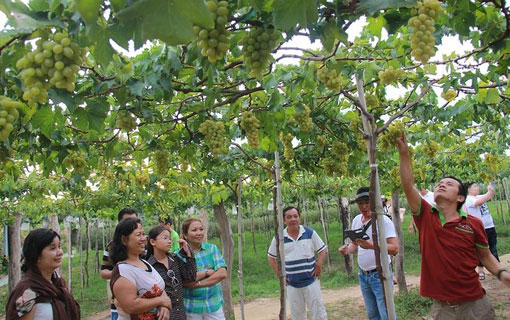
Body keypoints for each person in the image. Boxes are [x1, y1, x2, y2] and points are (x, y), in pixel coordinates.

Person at [397, 132, 510, 319]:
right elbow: (408, 185)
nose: (441, 185)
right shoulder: (425, 216)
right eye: (439, 184)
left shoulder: (474, 224)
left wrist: (501, 273)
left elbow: (485, 255)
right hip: (442, 309)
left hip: (475, 304)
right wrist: (404, 155)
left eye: (448, 184)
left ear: (460, 197)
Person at [339, 187, 399, 320]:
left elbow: (395, 248)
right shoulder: (356, 220)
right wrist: (347, 249)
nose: (364, 206)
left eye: (367, 202)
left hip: (380, 274)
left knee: (386, 313)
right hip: (363, 275)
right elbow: (355, 245)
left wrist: (371, 245)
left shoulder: (382, 221)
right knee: (372, 313)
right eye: (360, 203)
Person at [267, 206, 328, 320]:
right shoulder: (279, 237)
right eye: (289, 217)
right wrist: (280, 274)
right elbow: (271, 257)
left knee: (318, 312)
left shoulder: (309, 232)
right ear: (284, 220)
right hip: (292, 284)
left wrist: (318, 265)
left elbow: (322, 250)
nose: (293, 219)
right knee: (297, 315)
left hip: (311, 281)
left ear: (299, 218)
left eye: (295, 216)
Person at [6, 228, 80, 320]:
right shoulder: (27, 291)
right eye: (52, 248)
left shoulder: (58, 284)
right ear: (36, 256)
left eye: (59, 247)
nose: (60, 252)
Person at [110, 218, 171, 320]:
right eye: (138, 235)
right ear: (124, 240)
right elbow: (131, 305)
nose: (143, 238)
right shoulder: (123, 271)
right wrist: (160, 301)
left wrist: (163, 305)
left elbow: (159, 288)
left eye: (143, 234)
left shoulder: (145, 263)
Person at [146, 225, 197, 319]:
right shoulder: (148, 267)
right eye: (165, 238)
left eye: (170, 239)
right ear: (153, 242)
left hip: (180, 314)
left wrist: (189, 254)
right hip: (162, 316)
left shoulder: (174, 259)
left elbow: (191, 277)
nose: (169, 241)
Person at [181, 218, 227, 320]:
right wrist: (207, 273)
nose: (199, 233)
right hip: (191, 308)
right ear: (185, 235)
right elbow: (185, 281)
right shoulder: (179, 255)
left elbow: (222, 273)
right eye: (194, 230)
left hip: (213, 305)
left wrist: (196, 284)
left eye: (201, 229)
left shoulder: (212, 249)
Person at [100, 207, 139, 320]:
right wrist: (123, 273)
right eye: (127, 221)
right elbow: (104, 272)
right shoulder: (112, 246)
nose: (132, 225)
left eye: (135, 221)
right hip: (120, 304)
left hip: (144, 303)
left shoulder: (144, 245)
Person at [464, 181, 499, 281]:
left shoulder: (478, 196)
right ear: (468, 190)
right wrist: (489, 190)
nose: (477, 188)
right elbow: (480, 202)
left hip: (490, 227)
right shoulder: (469, 199)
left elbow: (490, 195)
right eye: (475, 186)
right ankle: (480, 270)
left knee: (493, 247)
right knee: (481, 250)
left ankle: (497, 269)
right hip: (480, 229)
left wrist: (491, 183)